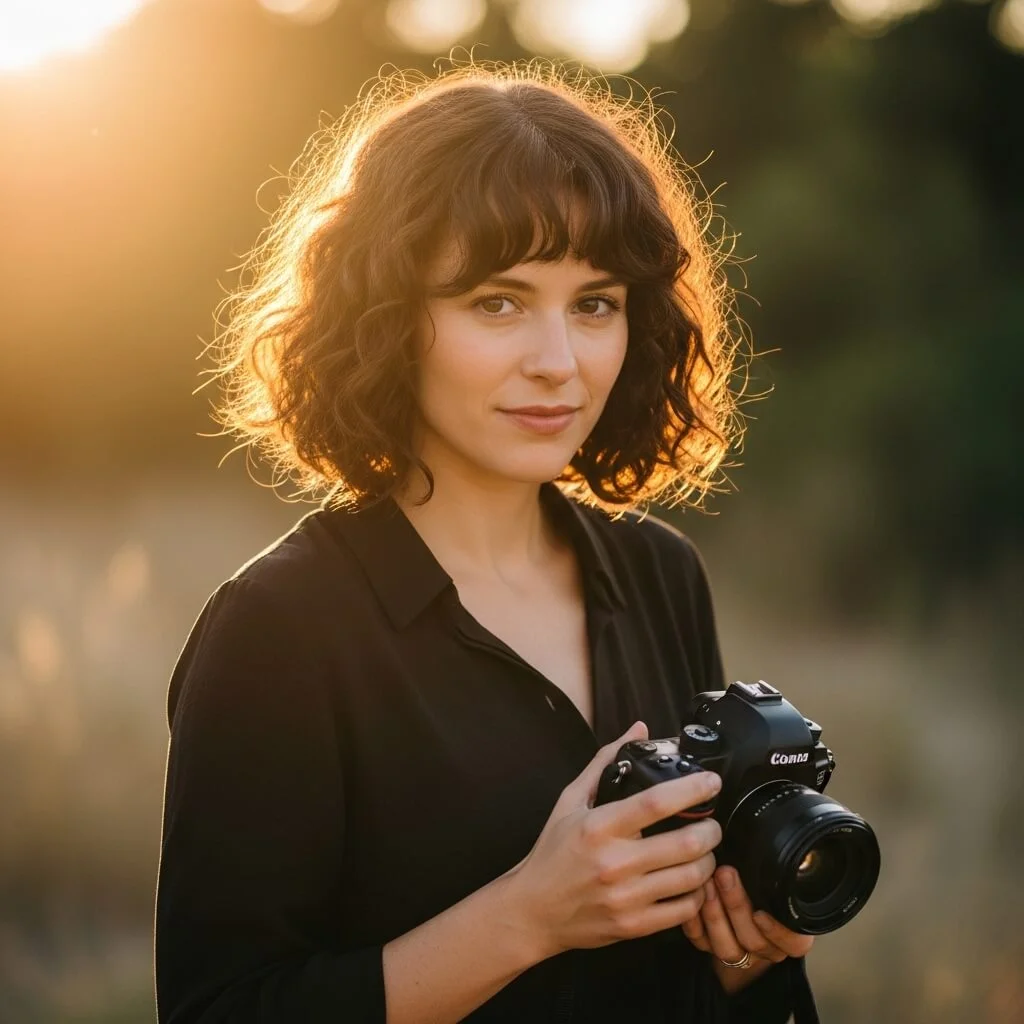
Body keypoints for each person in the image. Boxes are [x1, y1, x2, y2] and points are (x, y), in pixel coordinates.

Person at [154, 61, 819, 1023]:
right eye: (497, 302)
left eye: (595, 304)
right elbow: (220, 1010)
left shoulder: (661, 573)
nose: (557, 363)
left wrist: (748, 957)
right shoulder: (278, 630)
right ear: (388, 321)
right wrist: (528, 918)